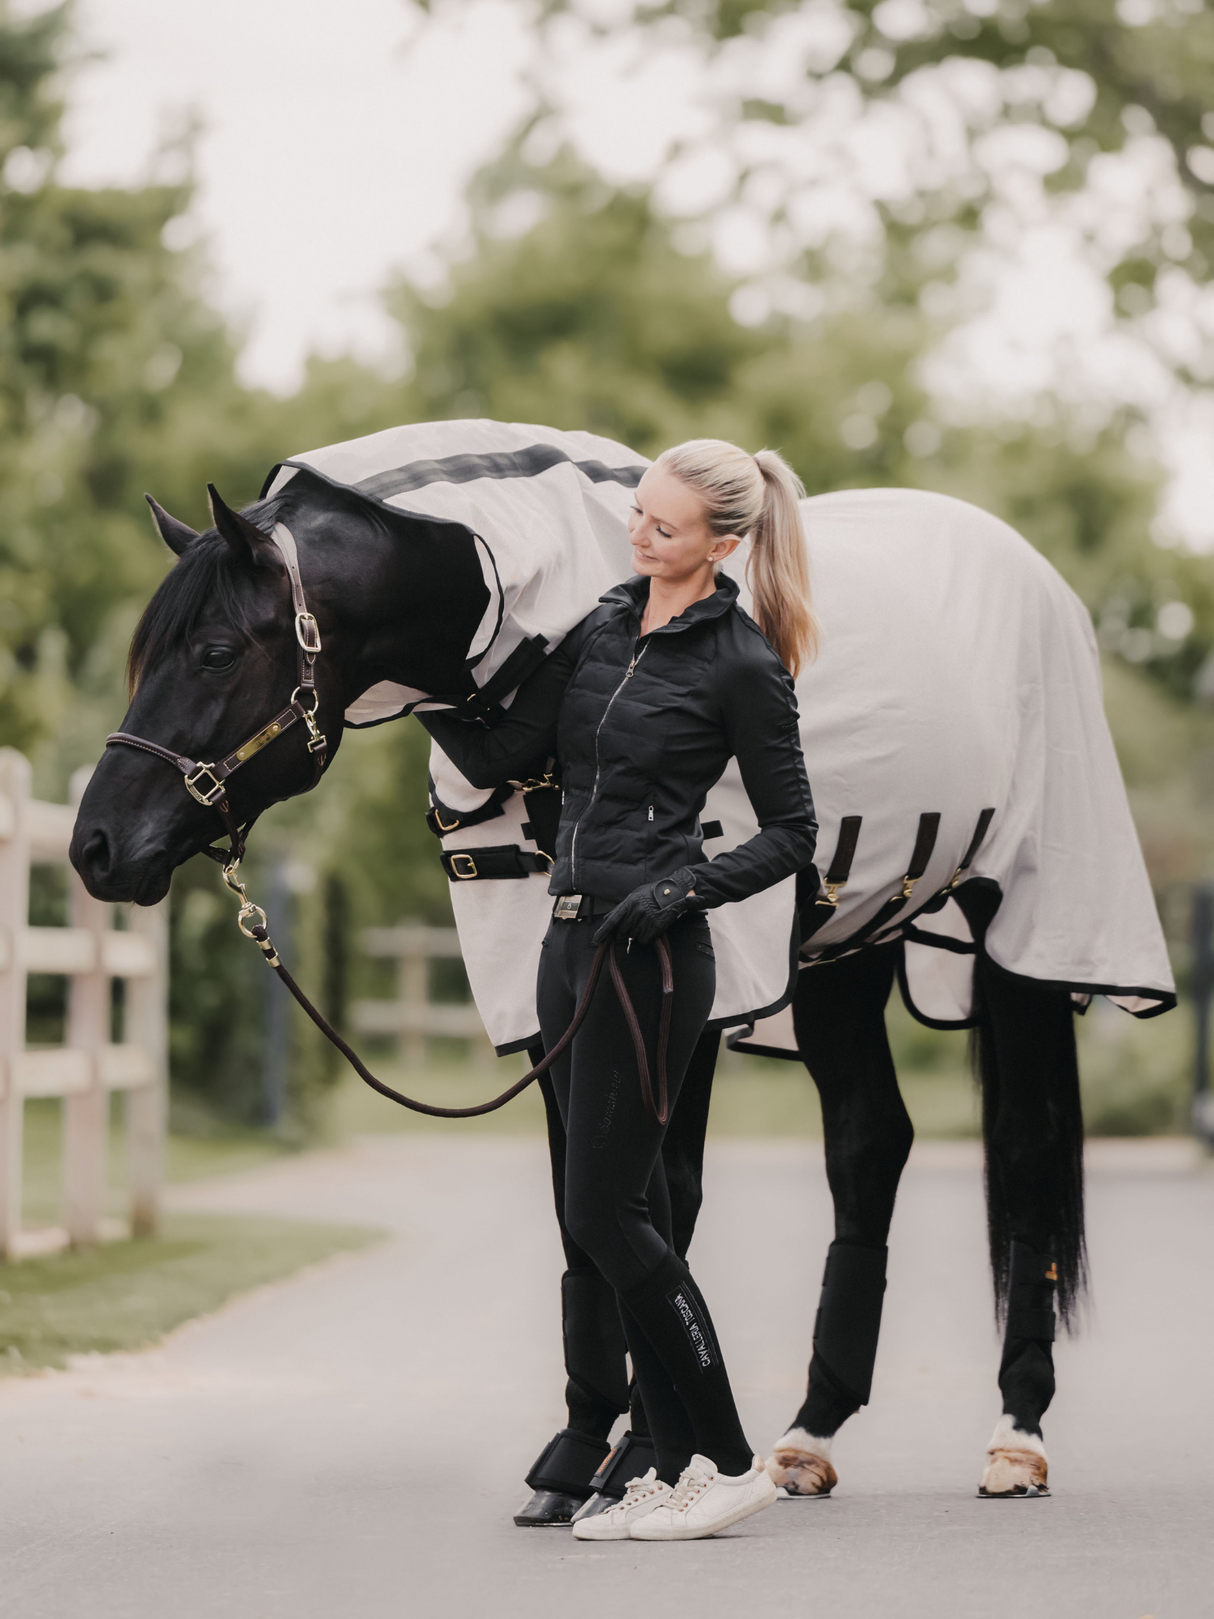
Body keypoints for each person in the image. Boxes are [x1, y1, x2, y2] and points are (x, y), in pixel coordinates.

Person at [419, 439, 818, 1541]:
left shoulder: (741, 660)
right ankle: (675, 1455)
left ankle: (726, 1460)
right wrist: (401, 682)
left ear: (721, 543)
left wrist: (683, 890)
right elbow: (505, 748)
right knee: (599, 1211)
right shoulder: (601, 623)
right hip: (565, 939)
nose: (639, 534)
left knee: (609, 1210)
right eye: (638, 514)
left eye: (665, 526)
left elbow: (791, 830)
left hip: (650, 951)